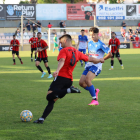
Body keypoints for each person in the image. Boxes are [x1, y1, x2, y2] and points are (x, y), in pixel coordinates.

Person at [33, 34, 105, 124]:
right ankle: (42, 119)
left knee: (49, 96)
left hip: (60, 78)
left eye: (60, 41)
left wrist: (57, 71)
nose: (59, 43)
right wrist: (99, 60)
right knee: (52, 100)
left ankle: (68, 90)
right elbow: (89, 58)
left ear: (65, 41)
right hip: (69, 80)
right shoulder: (77, 52)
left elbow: (62, 60)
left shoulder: (64, 50)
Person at [79, 27, 112, 106]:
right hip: (89, 64)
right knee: (81, 83)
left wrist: (102, 59)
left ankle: (95, 99)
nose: (92, 36)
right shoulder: (90, 43)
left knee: (87, 80)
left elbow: (110, 54)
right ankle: (95, 91)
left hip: (96, 66)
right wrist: (84, 56)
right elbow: (90, 54)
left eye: (94, 34)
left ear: (97, 34)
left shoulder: (101, 44)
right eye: (91, 35)